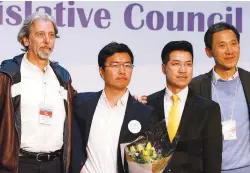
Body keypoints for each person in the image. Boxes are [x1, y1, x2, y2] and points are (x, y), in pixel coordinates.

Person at [0, 12, 75, 173]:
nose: (47, 40)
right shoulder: (8, 74)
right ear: (25, 40)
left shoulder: (62, 77)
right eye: (40, 34)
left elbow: (80, 106)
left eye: (51, 35)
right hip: (18, 165)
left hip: (55, 165)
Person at [70, 42, 153, 173]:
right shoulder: (82, 103)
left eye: (127, 65)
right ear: (101, 71)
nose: (122, 71)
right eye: (115, 65)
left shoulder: (144, 113)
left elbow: (146, 161)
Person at [147, 41, 222, 173]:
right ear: (163, 68)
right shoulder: (148, 104)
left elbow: (213, 160)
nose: (183, 70)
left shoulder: (209, 109)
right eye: (176, 64)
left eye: (188, 64)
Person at [190, 22, 250, 173]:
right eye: (222, 46)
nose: (230, 51)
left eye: (233, 44)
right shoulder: (194, 87)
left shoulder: (249, 81)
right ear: (208, 52)